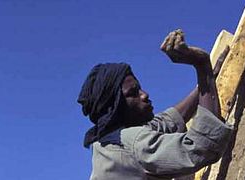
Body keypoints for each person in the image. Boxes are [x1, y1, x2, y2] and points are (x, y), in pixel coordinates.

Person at [77, 29, 233, 180]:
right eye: (133, 93)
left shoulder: (106, 144)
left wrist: (205, 82)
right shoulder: (132, 144)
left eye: (139, 89)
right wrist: (202, 64)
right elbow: (203, 146)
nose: (144, 95)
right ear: (115, 107)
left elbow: (169, 120)